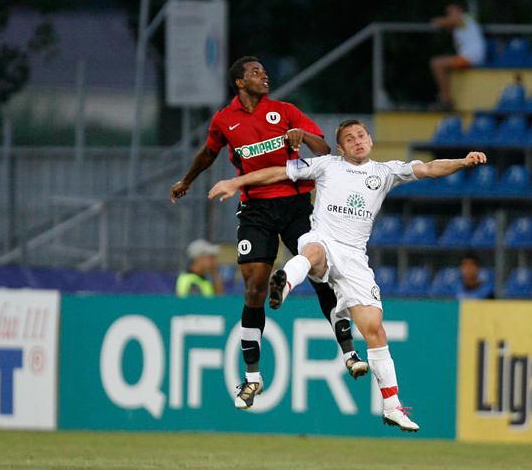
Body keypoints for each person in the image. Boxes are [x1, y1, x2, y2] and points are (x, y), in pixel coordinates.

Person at [209, 118, 488, 432]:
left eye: (361, 135)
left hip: (355, 258)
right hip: (323, 240)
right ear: (340, 148)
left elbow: (429, 168)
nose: (357, 141)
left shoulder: (385, 172)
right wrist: (237, 182)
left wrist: (463, 162)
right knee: (312, 252)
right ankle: (283, 285)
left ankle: (392, 407)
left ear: (370, 140)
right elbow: (277, 172)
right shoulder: (326, 165)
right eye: (350, 138)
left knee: (374, 330)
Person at [170, 56, 365, 411]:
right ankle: (252, 377)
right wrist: (187, 180)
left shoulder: (285, 111)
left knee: (321, 274)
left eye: (264, 70)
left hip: (296, 206)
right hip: (256, 209)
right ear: (239, 83)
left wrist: (304, 136)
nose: (265, 76)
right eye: (255, 72)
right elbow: (208, 153)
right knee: (254, 287)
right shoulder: (224, 120)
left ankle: (349, 353)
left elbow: (324, 151)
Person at [429, 3, 487, 110]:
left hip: (471, 57)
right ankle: (444, 97)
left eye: (451, 12)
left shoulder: (465, 18)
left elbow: (441, 22)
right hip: (469, 57)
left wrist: (437, 21)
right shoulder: (460, 26)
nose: (449, 15)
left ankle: (446, 101)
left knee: (437, 63)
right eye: (448, 13)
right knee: (441, 62)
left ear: (460, 10)